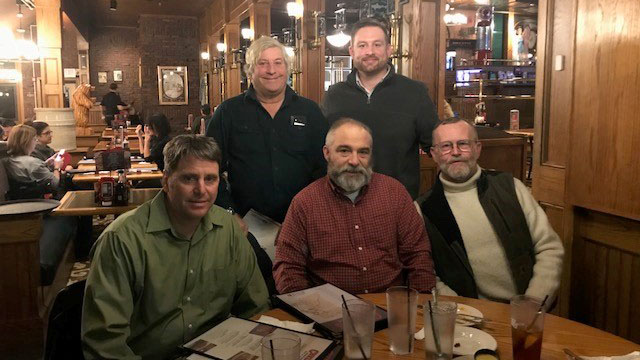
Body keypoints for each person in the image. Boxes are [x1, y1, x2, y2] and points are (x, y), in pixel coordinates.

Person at [81, 135, 270, 360]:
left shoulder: (228, 228)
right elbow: (105, 345)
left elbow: (256, 308)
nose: (201, 190)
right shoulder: (121, 240)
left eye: (210, 179)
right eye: (189, 179)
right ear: (166, 180)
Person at [273, 118, 436, 294]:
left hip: (392, 311)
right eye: (344, 151)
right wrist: (309, 310)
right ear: (327, 153)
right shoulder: (304, 203)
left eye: (363, 152)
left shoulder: (394, 193)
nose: (354, 161)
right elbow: (288, 268)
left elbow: (418, 256)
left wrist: (418, 309)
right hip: (330, 313)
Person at [418, 118, 564, 303]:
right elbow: (428, 275)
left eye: (463, 144)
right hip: (467, 318)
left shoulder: (511, 188)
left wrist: (533, 302)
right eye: (446, 146)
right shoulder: (424, 209)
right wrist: (466, 312)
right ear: (435, 154)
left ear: (478, 148)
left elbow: (549, 247)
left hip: (528, 310)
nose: (455, 152)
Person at [205, 36, 327, 225]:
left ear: (287, 69)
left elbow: (324, 167)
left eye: (278, 63)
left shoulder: (310, 111)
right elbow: (208, 167)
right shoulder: (228, 112)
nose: (271, 70)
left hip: (303, 221)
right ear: (250, 71)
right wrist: (228, 212)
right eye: (263, 63)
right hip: (244, 225)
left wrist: (313, 210)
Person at [321, 17, 439, 199]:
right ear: (351, 51)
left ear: (388, 50)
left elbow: (437, 146)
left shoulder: (415, 93)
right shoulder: (334, 95)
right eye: (362, 45)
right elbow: (321, 149)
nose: (370, 51)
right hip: (342, 202)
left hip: (398, 203)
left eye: (377, 44)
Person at [4, 124, 65, 195]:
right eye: (34, 139)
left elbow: (30, 169)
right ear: (26, 142)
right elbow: (55, 184)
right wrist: (57, 167)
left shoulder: (7, 160)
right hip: (35, 199)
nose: (36, 142)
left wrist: (45, 163)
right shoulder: (33, 162)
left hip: (17, 198)